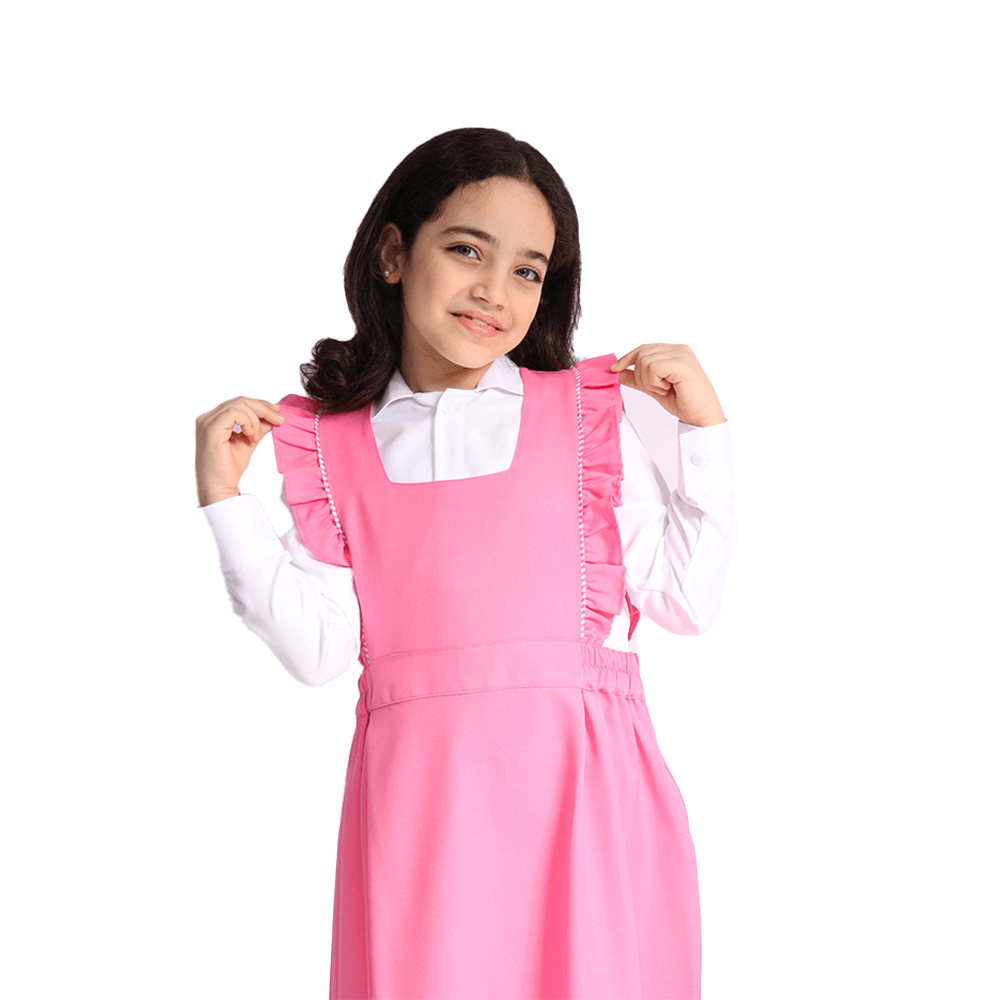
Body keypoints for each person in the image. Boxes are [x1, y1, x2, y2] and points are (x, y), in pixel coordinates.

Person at [195, 127, 735, 1000]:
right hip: (422, 828)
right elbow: (320, 653)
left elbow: (685, 599)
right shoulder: (334, 449)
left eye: (527, 270)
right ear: (393, 253)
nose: (494, 291)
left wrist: (705, 434)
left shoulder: (585, 420)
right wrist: (227, 504)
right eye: (466, 250)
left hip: (584, 813)